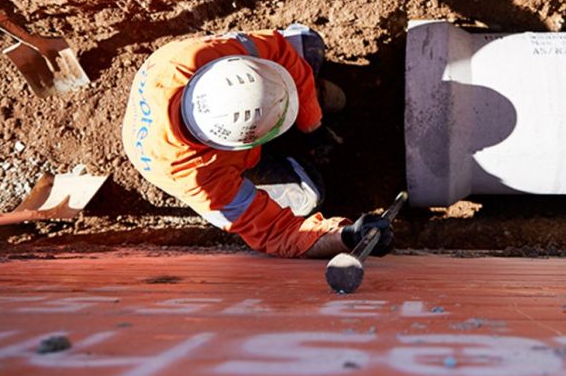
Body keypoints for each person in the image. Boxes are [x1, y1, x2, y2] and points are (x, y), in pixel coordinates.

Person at [121, 24, 394, 258]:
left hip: (216, 109)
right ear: (245, 145)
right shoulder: (204, 183)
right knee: (306, 198)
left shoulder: (198, 59)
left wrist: (311, 120)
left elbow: (276, 48)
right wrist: (346, 236)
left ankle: (309, 95)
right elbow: (277, 232)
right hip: (213, 166)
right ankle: (270, 157)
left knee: (306, 43)